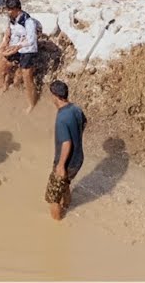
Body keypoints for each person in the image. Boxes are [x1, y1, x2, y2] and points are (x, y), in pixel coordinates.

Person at [47, 80, 86, 221]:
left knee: (53, 197)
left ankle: (57, 224)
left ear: (55, 96)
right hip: (78, 159)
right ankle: (68, 204)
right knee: (65, 184)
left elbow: (66, 143)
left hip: (67, 163)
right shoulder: (76, 109)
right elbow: (84, 123)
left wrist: (61, 165)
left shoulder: (62, 118)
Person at [0, 0, 41, 113]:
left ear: (17, 9)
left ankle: (31, 104)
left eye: (10, 10)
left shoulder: (28, 21)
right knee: (1, 60)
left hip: (27, 50)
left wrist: (17, 47)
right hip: (16, 46)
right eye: (8, 9)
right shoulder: (12, 18)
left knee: (27, 78)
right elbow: (9, 30)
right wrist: (5, 42)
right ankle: (4, 84)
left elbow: (31, 40)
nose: (8, 12)